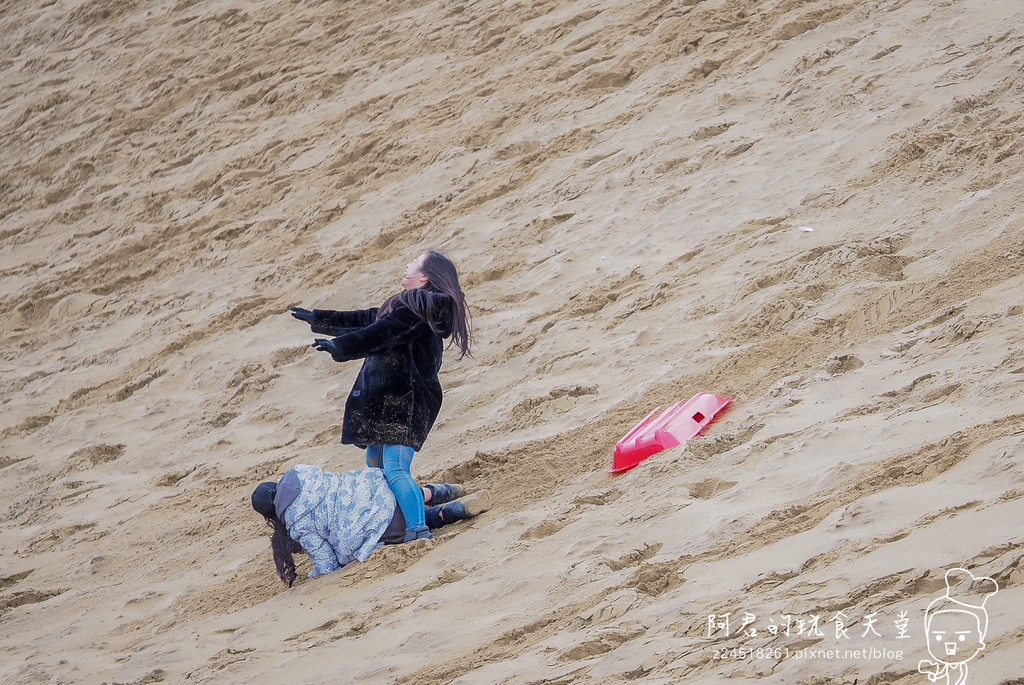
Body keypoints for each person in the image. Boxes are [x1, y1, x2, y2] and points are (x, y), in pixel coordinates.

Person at [288, 250, 472, 543]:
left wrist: (341, 348)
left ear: (424, 276)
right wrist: (318, 318)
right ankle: (420, 507)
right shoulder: (407, 306)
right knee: (375, 462)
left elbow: (381, 333)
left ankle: (416, 529)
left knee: (395, 466)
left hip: (406, 402)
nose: (406, 264)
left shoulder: (421, 309)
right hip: (386, 401)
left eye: (413, 262)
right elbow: (368, 320)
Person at [251, 464, 491, 586]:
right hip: (379, 489)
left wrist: (313, 575)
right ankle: (441, 491)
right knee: (407, 500)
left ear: (271, 517)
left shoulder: (297, 522)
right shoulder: (303, 472)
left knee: (391, 525)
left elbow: (327, 564)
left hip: (378, 526)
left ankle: (450, 512)